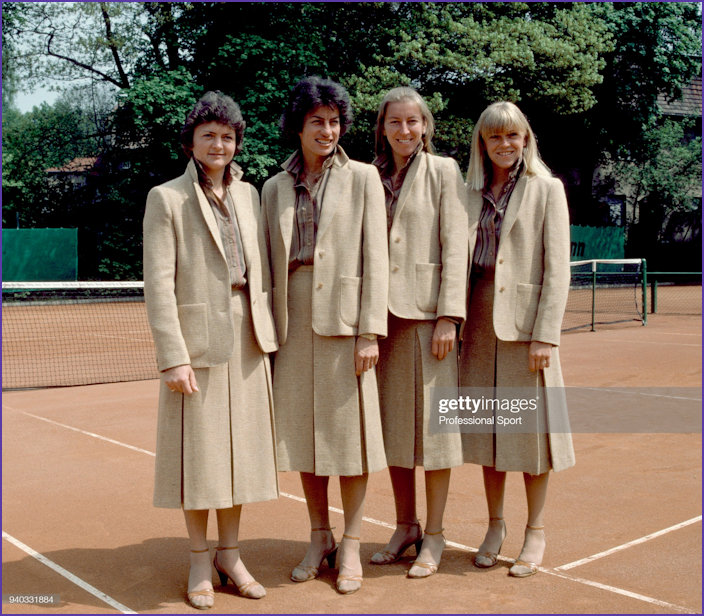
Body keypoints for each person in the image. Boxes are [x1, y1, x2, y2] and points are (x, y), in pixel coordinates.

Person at [143, 91, 279, 609]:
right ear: (191, 142)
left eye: (227, 136)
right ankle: (200, 559)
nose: (219, 144)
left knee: (239, 456)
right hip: (196, 346)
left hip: (248, 338)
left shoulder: (251, 195)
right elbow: (158, 283)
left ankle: (231, 554)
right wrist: (173, 355)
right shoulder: (166, 198)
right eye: (208, 136)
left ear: (236, 140)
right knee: (199, 459)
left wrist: (270, 334)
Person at [260, 76, 389, 595]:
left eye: (335, 122)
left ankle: (352, 543)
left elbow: (376, 258)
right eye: (318, 121)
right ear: (299, 125)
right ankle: (319, 537)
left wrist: (370, 331)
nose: (327, 131)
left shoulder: (363, 179)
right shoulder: (272, 187)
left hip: (345, 324)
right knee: (304, 440)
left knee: (349, 441)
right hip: (291, 324)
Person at [460, 101, 575, 578]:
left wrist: (546, 335)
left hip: (527, 328)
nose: (504, 145)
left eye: (513, 136)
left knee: (530, 437)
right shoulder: (468, 192)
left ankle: (536, 531)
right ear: (482, 144)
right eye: (494, 137)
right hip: (479, 322)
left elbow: (558, 269)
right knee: (489, 432)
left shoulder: (547, 189)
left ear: (525, 138)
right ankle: (494, 526)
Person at [369, 87, 468, 578]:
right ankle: (405, 525)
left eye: (413, 122)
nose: (405, 131)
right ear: (382, 128)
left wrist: (449, 316)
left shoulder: (445, 171)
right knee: (395, 431)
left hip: (429, 319)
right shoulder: (369, 175)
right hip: (379, 321)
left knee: (435, 432)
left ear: (426, 125)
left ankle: (435, 533)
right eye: (395, 123)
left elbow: (457, 246)